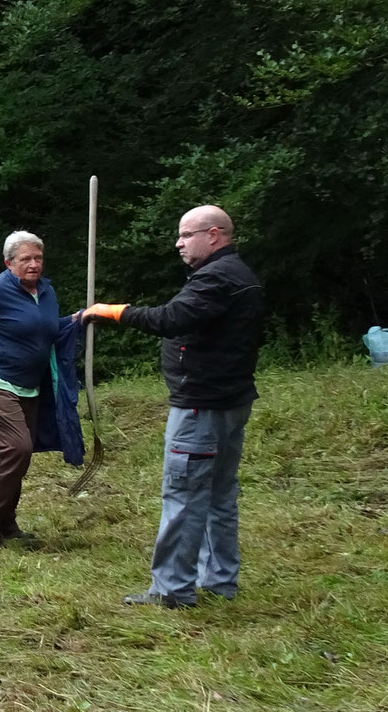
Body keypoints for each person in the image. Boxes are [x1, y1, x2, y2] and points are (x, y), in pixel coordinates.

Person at [79, 205, 264, 608]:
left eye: (186, 235)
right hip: (229, 402)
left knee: (184, 495)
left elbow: (171, 318)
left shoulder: (218, 278)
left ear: (214, 235)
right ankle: (219, 582)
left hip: (202, 406)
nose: (178, 243)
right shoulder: (235, 275)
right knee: (218, 495)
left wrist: (113, 311)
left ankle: (173, 590)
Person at [0, 232, 82, 546]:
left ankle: (5, 520)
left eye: (38, 258)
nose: (34, 265)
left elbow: (45, 329)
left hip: (30, 384)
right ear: (9, 263)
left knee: (19, 454)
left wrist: (76, 320)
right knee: (17, 447)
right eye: (26, 260)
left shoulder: (46, 291)